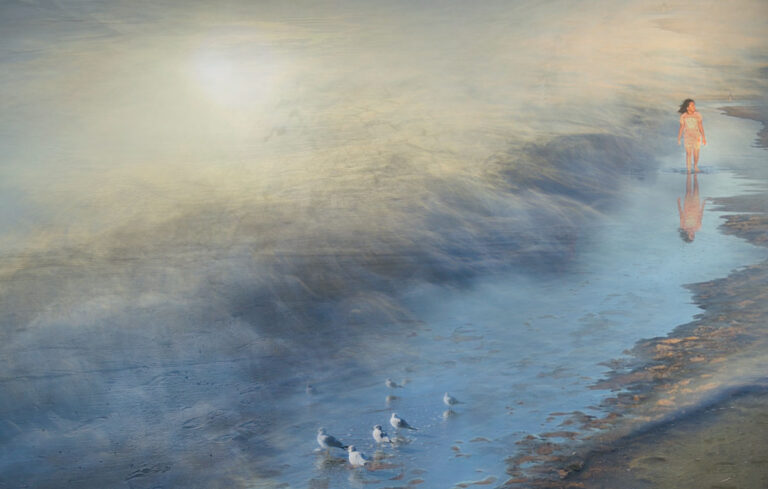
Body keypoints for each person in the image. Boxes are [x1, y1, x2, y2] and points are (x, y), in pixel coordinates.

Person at [677, 98, 707, 173]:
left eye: (694, 105)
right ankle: (688, 169)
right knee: (688, 153)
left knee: (696, 153)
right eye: (692, 106)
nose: (694, 107)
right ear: (687, 108)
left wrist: (703, 137)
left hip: (697, 136)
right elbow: (681, 127)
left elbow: (700, 126)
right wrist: (679, 138)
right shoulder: (683, 116)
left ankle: (695, 166)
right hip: (687, 136)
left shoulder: (698, 115)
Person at [677, 172, 705, 242]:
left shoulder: (683, 226)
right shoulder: (698, 227)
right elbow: (700, 216)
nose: (693, 234)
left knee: (688, 190)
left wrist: (678, 203)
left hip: (687, 206)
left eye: (691, 236)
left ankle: (689, 175)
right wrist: (703, 205)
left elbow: (681, 215)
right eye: (693, 236)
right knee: (696, 190)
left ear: (687, 235)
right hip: (696, 206)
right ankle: (695, 176)